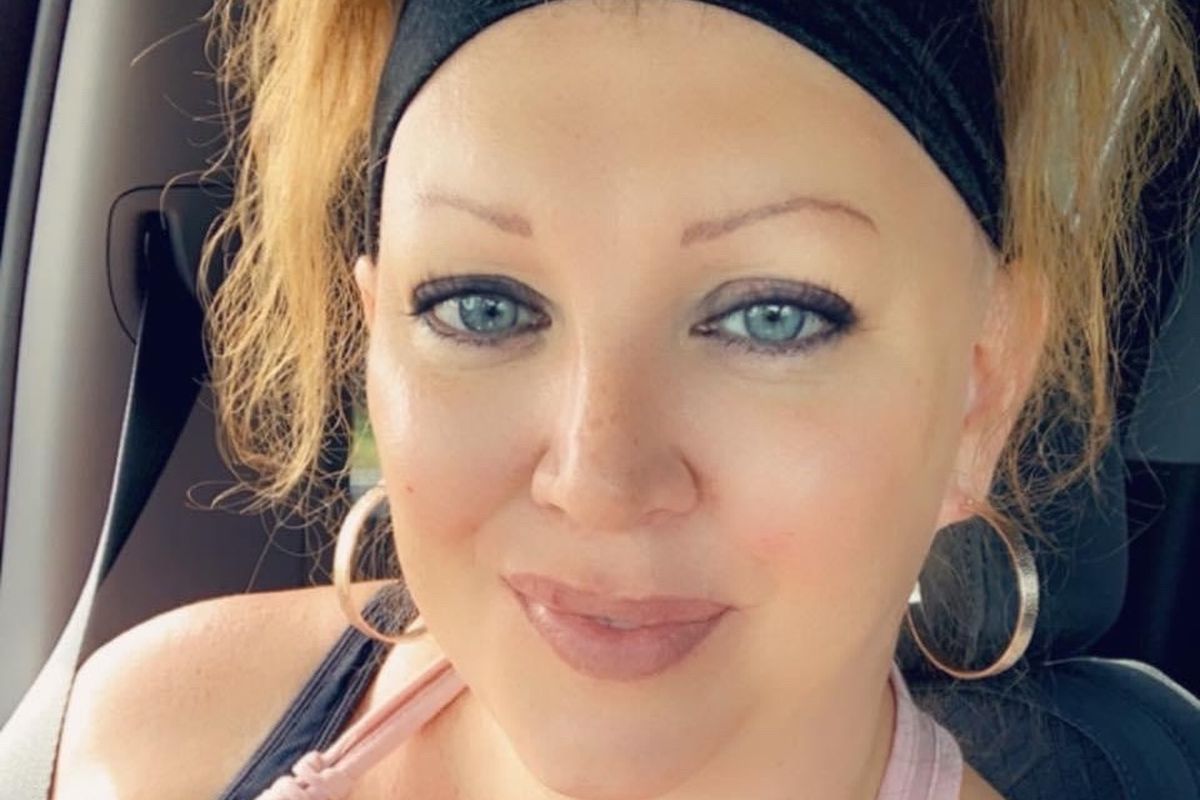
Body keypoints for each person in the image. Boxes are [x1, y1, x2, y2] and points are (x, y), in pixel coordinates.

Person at [48, 1, 1200, 798]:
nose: (597, 480)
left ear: (981, 390)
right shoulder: (145, 744)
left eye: (773, 315)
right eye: (481, 305)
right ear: (376, 331)